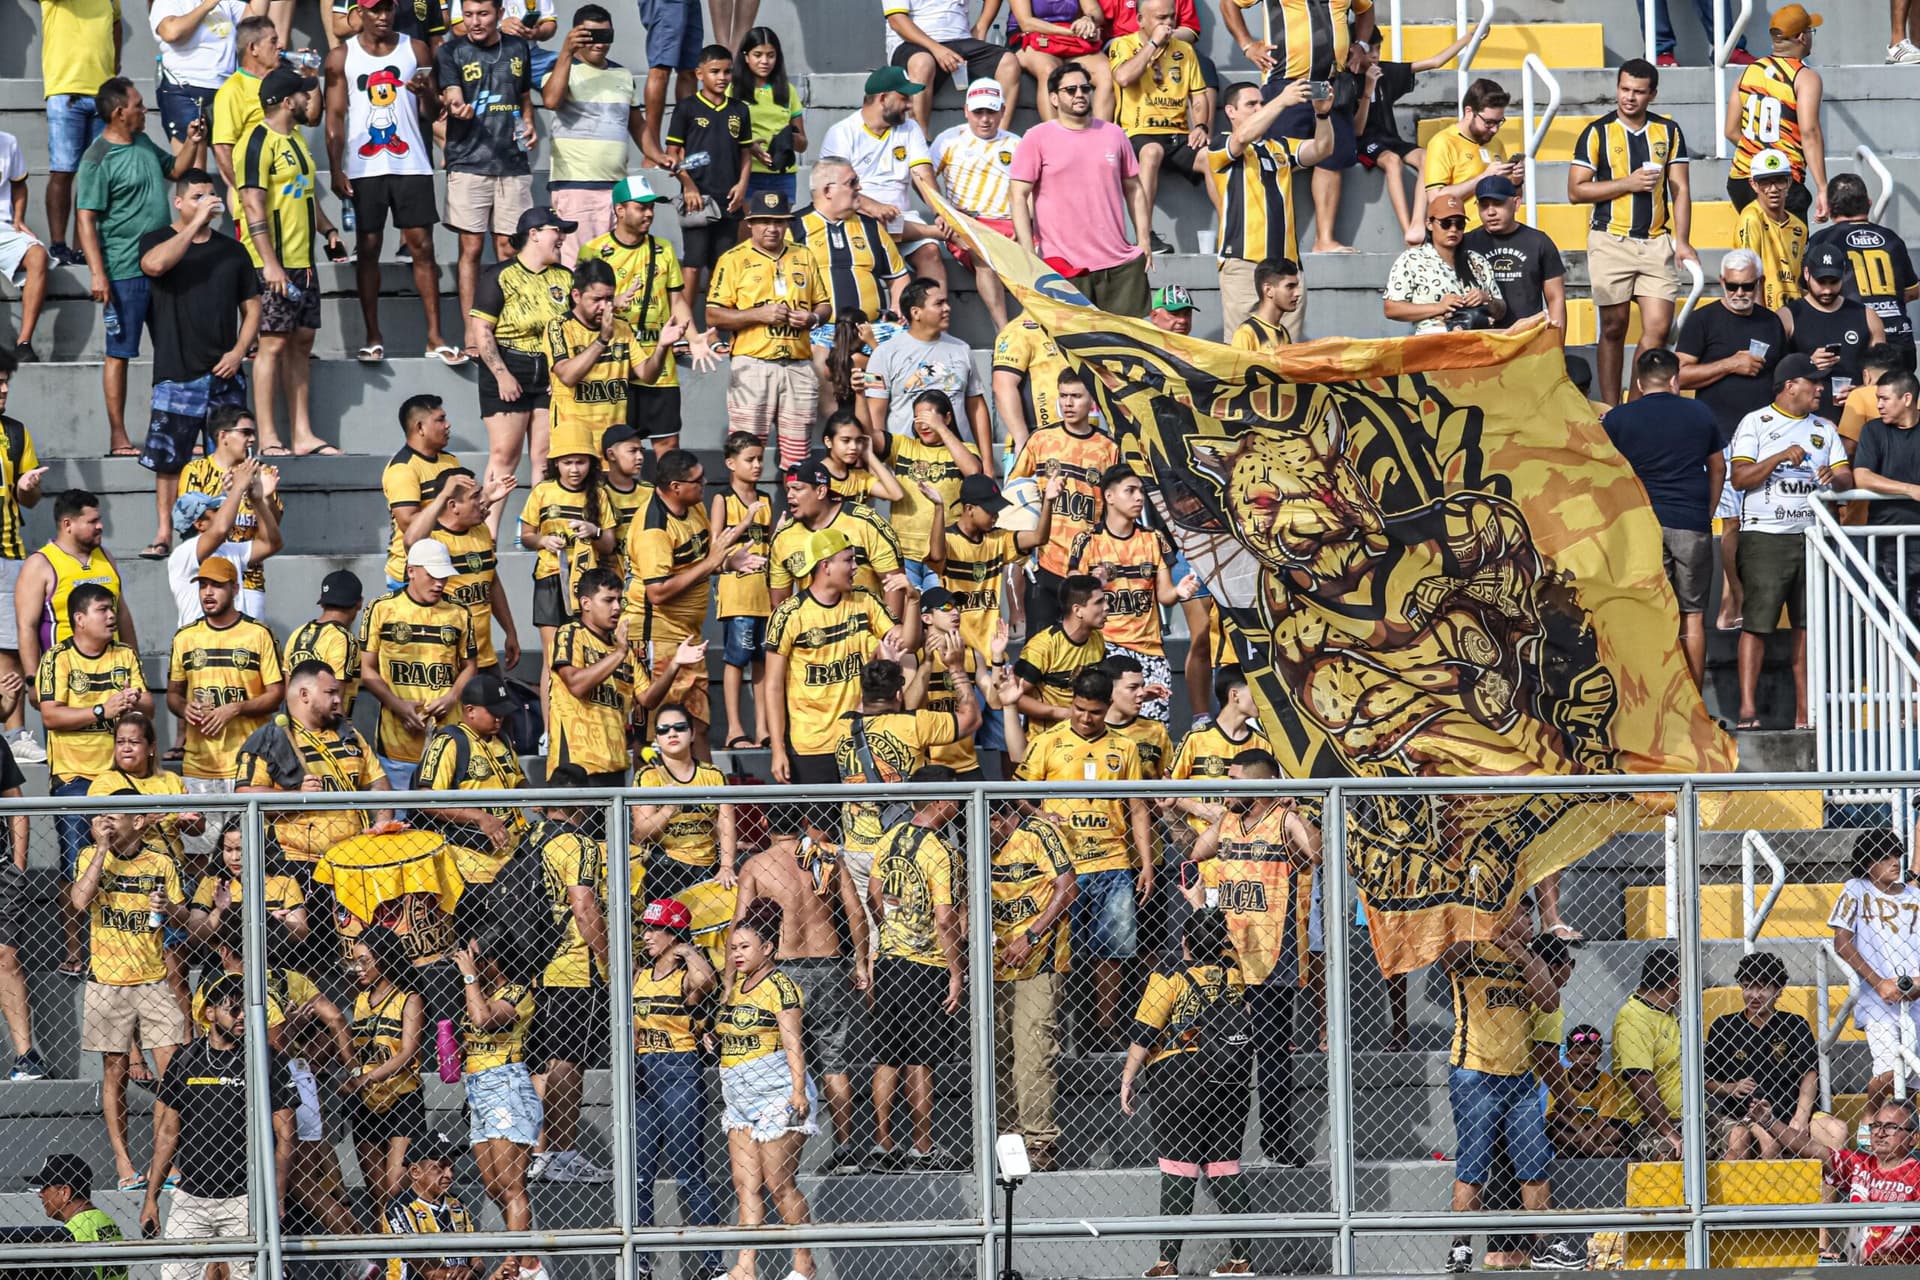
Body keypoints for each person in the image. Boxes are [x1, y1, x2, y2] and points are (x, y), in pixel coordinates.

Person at [1182, 748, 1318, 1166]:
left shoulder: (1283, 819)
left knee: (1273, 1053)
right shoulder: (1228, 821)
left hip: (1272, 956)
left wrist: (1298, 813)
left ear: (1262, 785)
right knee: (1227, 1052)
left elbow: (1316, 852)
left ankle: (1276, 1141)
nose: (1226, 789)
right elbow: (1195, 853)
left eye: (1235, 782)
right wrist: (1184, 814)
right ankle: (1220, 1144)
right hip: (1229, 957)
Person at [1006, 668, 1148, 1045]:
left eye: (1095, 712)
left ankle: (1104, 1029)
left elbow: (1137, 807)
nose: (1086, 718)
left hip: (1113, 860)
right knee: (1062, 951)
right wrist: (1039, 815)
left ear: (1108, 707)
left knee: (1112, 950)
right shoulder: (1048, 741)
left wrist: (1146, 863)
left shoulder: (1125, 747)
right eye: (1080, 709)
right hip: (1061, 867)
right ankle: (1063, 1027)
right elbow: (1018, 793)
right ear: (1072, 703)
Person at [730, 803, 871, 1173]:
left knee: (785, 1056)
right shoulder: (825, 857)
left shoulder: (756, 865)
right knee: (833, 1060)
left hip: (782, 967)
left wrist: (733, 981)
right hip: (828, 962)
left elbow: (740, 924)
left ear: (764, 822)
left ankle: (783, 1151)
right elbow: (855, 912)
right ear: (804, 823)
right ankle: (845, 1148)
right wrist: (860, 961)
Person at [1440, 910, 1583, 1274]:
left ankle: (1544, 1244)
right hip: (1475, 1072)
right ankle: (1460, 1246)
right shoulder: (1473, 949)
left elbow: (1549, 1000)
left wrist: (1519, 952)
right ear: (1503, 915)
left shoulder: (1530, 957)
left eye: (1531, 916)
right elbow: (1447, 959)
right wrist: (1487, 931)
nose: (1530, 924)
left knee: (1534, 1162)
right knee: (1473, 1163)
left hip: (1520, 1080)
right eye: (1522, 916)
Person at [1119, 909, 1257, 1280]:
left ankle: (1167, 1262)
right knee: (1224, 1165)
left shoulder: (1170, 975)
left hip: (1178, 1079)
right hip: (1229, 1077)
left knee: (1178, 1166)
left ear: (1184, 942)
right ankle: (1241, 1258)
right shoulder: (1234, 972)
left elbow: (1145, 1032)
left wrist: (1128, 1078)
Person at [77, 78, 209, 458]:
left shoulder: (143, 142)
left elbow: (176, 170)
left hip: (165, 265)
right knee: (119, 353)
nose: (144, 109)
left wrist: (193, 141)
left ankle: (179, 431)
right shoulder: (97, 158)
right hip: (124, 272)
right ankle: (119, 436)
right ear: (120, 112)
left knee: (176, 349)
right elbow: (85, 219)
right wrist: (97, 273)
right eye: (137, 104)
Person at [140, 971, 296, 1280]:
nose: (242, 1017)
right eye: (233, 1009)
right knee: (174, 1276)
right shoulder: (186, 1059)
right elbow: (168, 1134)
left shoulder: (264, 1058)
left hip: (245, 1198)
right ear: (210, 1013)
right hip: (191, 1196)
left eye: (246, 1008)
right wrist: (151, 1199)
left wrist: (276, 1197)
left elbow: (286, 1135)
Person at [136, 169, 260, 555]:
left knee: (229, 456)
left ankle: (225, 531)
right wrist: (194, 226)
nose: (207, 202)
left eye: (210, 195)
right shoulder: (157, 239)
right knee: (168, 459)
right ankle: (164, 533)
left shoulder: (232, 251)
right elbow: (153, 266)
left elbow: (253, 308)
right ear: (178, 202)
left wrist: (238, 352)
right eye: (196, 197)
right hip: (176, 371)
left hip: (225, 372)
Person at [326, 0, 454, 366]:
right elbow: (335, 117)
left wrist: (423, 92)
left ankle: (435, 337)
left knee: (422, 247)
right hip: (363, 166)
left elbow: (433, 112)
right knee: (368, 248)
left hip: (411, 162)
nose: (382, 16)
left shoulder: (416, 49)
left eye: (387, 8)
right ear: (359, 13)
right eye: (374, 9)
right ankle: (372, 337)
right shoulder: (341, 56)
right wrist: (335, 168)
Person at [1728, 352, 1852, 729]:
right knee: (1757, 623)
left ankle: (1805, 713)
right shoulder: (1756, 422)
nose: (1820, 388)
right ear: (1790, 386)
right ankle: (1747, 710)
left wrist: (1834, 477)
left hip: (1813, 537)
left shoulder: (1824, 429)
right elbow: (1740, 478)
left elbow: (1846, 479)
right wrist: (1779, 457)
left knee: (1807, 625)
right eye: (1813, 382)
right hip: (1766, 536)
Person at [72, 801, 191, 1189]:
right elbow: (79, 901)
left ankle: (164, 1163)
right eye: (102, 815)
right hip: (107, 980)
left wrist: (168, 907)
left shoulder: (161, 862)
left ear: (138, 821)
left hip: (153, 979)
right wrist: (102, 849)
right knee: (115, 1071)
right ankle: (125, 1166)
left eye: (115, 815)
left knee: (172, 1072)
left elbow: (184, 917)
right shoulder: (90, 855)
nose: (105, 820)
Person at [1602, 348, 1727, 686]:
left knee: (1652, 614)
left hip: (1643, 526)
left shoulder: (1618, 419)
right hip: (1691, 522)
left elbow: (1605, 474)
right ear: (1675, 380)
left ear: (1639, 384)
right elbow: (1718, 468)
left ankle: (1657, 699)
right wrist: (1708, 510)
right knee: (1693, 616)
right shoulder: (1700, 413)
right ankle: (1694, 702)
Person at [240, 66, 346, 460]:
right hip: (272, 263)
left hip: (304, 260)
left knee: (302, 342)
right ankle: (268, 436)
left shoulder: (297, 138)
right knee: (271, 345)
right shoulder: (256, 141)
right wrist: (270, 264)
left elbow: (304, 193)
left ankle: (302, 434)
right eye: (303, 94)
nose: (308, 99)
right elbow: (252, 204)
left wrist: (327, 229)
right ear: (287, 102)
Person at [1676, 250, 1784, 633]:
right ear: (1721, 282)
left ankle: (1737, 598)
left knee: (1762, 522)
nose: (1740, 293)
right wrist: (1729, 364)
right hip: (1720, 438)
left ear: (1759, 284)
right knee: (1733, 522)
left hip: (1766, 438)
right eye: (1733, 285)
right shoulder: (1703, 320)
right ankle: (1734, 597)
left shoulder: (1771, 322)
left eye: (1747, 286)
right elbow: (1678, 376)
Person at [1215, 0, 1373, 257]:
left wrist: (1362, 45)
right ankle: (1269, 237)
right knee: (1275, 158)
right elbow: (1229, 3)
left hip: (1331, 82)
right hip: (1285, 81)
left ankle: (1324, 239)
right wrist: (1247, 45)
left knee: (1331, 158)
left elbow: (1365, 9)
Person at [865, 772, 966, 1170]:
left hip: (889, 961)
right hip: (926, 965)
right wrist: (956, 971)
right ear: (940, 801)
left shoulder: (890, 838)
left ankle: (883, 1144)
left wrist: (891, 928)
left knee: (887, 1055)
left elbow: (874, 893)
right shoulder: (941, 851)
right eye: (954, 798)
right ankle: (922, 1147)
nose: (959, 805)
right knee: (922, 1058)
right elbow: (945, 918)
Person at [715, 898, 817, 1280]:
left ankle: (804, 1264)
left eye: (745, 947)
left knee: (779, 1184)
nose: (736, 954)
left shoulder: (781, 987)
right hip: (739, 1097)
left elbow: (793, 1043)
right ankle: (746, 1267)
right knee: (746, 1186)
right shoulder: (737, 986)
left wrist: (798, 1092)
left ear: (768, 948)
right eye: (733, 947)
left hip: (776, 1092)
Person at [580, 179, 712, 457]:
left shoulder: (663, 249)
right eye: (641, 207)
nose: (649, 213)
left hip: (658, 364)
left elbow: (677, 301)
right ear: (619, 210)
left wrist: (694, 338)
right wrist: (613, 303)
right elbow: (581, 308)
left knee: (668, 445)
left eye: (651, 207)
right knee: (616, 449)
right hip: (615, 364)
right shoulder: (593, 251)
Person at [1012, 62, 1152, 315]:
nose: (1079, 94)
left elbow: (1134, 189)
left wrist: (1143, 241)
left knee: (1127, 340)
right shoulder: (1036, 137)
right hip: (1064, 267)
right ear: (1054, 98)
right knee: (1071, 341)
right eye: (1070, 90)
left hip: (1120, 266)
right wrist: (1028, 254)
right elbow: (1018, 196)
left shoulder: (1114, 134)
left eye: (1085, 88)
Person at [632, 898, 723, 1277]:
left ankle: (714, 1264)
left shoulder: (684, 976)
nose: (647, 935)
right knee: (639, 1174)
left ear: (674, 933)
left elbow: (706, 982)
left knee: (689, 1171)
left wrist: (687, 950)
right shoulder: (639, 974)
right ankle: (639, 1263)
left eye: (656, 929)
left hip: (678, 1071)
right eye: (646, 928)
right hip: (643, 1073)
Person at [708, 191, 831, 469]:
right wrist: (758, 315)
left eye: (778, 222)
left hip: (799, 364)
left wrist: (812, 318)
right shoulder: (733, 258)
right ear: (750, 223)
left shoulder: (804, 255)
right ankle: (743, 500)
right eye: (764, 221)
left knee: (799, 458)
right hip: (753, 364)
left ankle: (796, 499)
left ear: (787, 224)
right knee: (746, 452)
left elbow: (824, 305)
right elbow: (713, 314)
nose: (772, 228)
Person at [1067, 465, 1196, 721]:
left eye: (1141, 491)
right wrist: (1093, 584)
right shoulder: (1088, 540)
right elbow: (1072, 593)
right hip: (1105, 648)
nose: (1139, 497)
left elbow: (1164, 596)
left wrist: (1179, 591)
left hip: (1150, 650)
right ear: (1109, 496)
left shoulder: (1154, 538)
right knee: (1107, 725)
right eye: (1130, 491)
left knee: (1153, 731)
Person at [471, 208, 573, 530]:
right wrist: (502, 374)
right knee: (504, 454)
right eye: (557, 230)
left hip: (549, 371)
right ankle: (486, 534)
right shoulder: (500, 275)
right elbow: (481, 328)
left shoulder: (565, 277)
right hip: (509, 363)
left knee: (544, 454)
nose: (562, 238)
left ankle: (540, 531)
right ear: (534, 234)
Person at [234, 659, 388, 871]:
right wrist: (297, 795)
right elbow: (244, 795)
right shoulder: (269, 739)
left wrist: (381, 823)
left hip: (354, 857)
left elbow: (378, 783)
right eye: (330, 692)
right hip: (296, 862)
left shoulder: (349, 735)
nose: (338, 699)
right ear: (305, 695)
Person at [437, 0, 537, 326]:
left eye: (483, 14)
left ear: (499, 14)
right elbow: (451, 92)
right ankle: (472, 333)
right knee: (471, 248)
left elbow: (524, 96)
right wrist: (456, 106)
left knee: (509, 249)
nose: (475, 22)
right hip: (468, 161)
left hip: (512, 162)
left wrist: (528, 122)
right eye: (468, 15)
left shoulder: (518, 47)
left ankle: (510, 328)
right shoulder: (451, 51)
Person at [989, 799, 1076, 1172]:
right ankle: (1007, 1142)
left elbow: (1067, 888)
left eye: (988, 825)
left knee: (1034, 1053)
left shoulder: (1039, 834)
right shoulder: (972, 839)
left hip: (1037, 962)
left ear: (1000, 817)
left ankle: (1039, 1143)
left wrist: (1031, 935)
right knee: (996, 1057)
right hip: (992, 966)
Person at [450, 929, 538, 1275]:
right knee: (492, 1185)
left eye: (475, 956)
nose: (468, 962)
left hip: (506, 1085)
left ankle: (514, 1262)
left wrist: (469, 977)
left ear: (493, 960)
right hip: (478, 1089)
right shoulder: (479, 991)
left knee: (511, 1183)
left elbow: (484, 1020)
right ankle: (529, 1262)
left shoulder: (517, 991)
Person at [359, 540, 480, 788]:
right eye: (432, 576)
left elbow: (470, 666)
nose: (439, 583)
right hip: (397, 741)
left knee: (448, 811)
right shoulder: (382, 608)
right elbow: (366, 669)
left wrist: (451, 697)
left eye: (444, 577)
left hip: (446, 740)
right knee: (401, 812)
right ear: (411, 571)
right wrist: (398, 706)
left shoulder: (459, 612)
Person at [792, 158, 908, 414]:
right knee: (820, 359)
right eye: (852, 182)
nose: (859, 187)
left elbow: (898, 276)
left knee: (912, 347)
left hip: (872, 328)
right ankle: (838, 426)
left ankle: (881, 428)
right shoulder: (794, 227)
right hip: (821, 330)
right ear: (828, 190)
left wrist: (897, 308)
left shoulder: (871, 227)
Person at [1705, 950, 1846, 1159]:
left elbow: (1809, 1073)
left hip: (1791, 1110)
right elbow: (1707, 1080)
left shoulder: (1795, 1024)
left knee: (1836, 1130)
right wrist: (1731, 1088)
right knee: (1767, 1142)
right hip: (1745, 1114)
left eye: (1763, 987)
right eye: (1748, 986)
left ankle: (1833, 1178)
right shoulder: (1724, 1026)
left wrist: (1801, 1116)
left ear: (1778, 990)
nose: (1754, 995)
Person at [1007, 368, 1118, 632]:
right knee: (1039, 644)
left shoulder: (1108, 447)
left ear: (1092, 400)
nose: (1068, 403)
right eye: (1063, 396)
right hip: (1045, 561)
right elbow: (1014, 491)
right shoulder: (1041, 439)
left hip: (1086, 566)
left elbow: (1115, 510)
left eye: (1076, 396)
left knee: (1085, 645)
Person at [166, 556, 286, 796]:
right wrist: (184, 708)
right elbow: (173, 695)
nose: (208, 593)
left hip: (250, 765)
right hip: (198, 767)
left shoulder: (258, 634)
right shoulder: (185, 637)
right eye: (203, 586)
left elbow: (276, 695)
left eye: (217, 585)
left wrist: (236, 708)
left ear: (235, 588)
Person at [1347, 28, 1474, 250]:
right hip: (1364, 142)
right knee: (1392, 161)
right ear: (1354, 50)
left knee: (1427, 156)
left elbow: (1434, 62)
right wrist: (1368, 89)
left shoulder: (1384, 71)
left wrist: (1469, 37)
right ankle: (1407, 230)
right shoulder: (1347, 80)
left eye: (1378, 48)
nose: (1375, 55)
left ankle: (1418, 222)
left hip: (1390, 138)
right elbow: (1357, 130)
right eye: (1370, 49)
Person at [820, 66, 947, 287]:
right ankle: (932, 232)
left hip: (903, 219)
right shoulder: (842, 133)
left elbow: (922, 175)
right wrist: (873, 206)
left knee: (931, 253)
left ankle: (934, 309)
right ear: (883, 98)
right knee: (877, 225)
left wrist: (941, 212)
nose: (910, 105)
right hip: (858, 216)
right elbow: (836, 188)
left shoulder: (910, 128)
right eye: (904, 98)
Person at [540, 6, 647, 261]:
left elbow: (638, 126)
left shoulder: (623, 74)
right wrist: (566, 52)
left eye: (605, 36)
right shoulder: (561, 69)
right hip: (576, 186)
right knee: (578, 265)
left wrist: (660, 155)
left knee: (615, 266)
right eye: (591, 36)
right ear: (576, 35)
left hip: (617, 189)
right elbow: (551, 100)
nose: (599, 44)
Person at [546, 257, 685, 454]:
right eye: (596, 300)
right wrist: (602, 340)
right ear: (576, 296)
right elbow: (568, 376)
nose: (604, 306)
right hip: (575, 445)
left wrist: (662, 347)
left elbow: (648, 375)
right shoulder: (559, 326)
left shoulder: (622, 327)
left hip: (613, 444)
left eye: (609, 299)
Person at [1830, 828, 1920, 1117]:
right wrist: (1879, 983)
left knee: (1913, 1076)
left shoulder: (1915, 896)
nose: (1894, 861)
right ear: (1868, 863)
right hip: (1877, 999)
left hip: (1916, 995)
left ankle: (1901, 1132)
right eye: (1884, 857)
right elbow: (1841, 941)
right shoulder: (1856, 890)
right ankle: (1870, 1114)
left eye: (1896, 855)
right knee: (1890, 1069)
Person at [1106, 0, 1206, 255]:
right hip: (1136, 131)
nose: (1168, 23)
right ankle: (1144, 236)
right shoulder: (1123, 44)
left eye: (1171, 17)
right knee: (1152, 152)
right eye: (1161, 18)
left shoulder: (1184, 49)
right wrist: (1153, 44)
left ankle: (1230, 236)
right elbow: (1123, 77)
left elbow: (1198, 95)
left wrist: (1201, 125)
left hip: (1178, 133)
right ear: (1140, 20)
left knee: (1212, 156)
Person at [16, 489, 136, 698]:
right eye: (92, 521)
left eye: (99, 519)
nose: (100, 526)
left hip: (112, 676)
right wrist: (33, 680)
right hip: (66, 679)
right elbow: (27, 626)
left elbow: (122, 614)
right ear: (67, 524)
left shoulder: (106, 557)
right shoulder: (40, 564)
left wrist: (135, 665)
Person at [338, 925, 427, 1206]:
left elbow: (407, 1052)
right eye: (354, 962)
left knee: (395, 1187)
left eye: (364, 961)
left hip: (401, 1098)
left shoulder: (409, 998)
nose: (358, 968)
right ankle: (384, 1236)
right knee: (377, 1193)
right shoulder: (360, 1001)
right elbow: (355, 1050)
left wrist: (367, 1078)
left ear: (384, 957)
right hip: (367, 1102)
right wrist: (353, 1072)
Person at [665, 45, 757, 307]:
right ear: (699, 74)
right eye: (715, 71)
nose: (722, 77)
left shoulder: (739, 109)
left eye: (727, 72)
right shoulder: (687, 108)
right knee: (693, 263)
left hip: (728, 199)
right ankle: (684, 324)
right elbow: (672, 154)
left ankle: (718, 324)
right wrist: (688, 185)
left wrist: (742, 185)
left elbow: (745, 153)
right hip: (698, 200)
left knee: (723, 263)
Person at [864, 279, 994, 463]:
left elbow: (977, 407)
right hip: (907, 464)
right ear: (916, 312)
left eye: (946, 302)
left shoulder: (962, 349)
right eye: (939, 303)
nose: (947, 308)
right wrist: (878, 463)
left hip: (959, 463)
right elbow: (874, 412)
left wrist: (987, 463)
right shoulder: (883, 353)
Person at [931, 80, 1021, 331]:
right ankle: (1004, 331)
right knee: (983, 254)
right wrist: (941, 211)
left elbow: (1030, 191)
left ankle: (1033, 329)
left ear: (1002, 111)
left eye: (991, 111)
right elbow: (922, 178)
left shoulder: (1016, 143)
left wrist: (1023, 226)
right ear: (965, 111)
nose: (984, 119)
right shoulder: (949, 139)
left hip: (1010, 221)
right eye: (978, 112)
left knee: (1045, 255)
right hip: (968, 222)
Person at [410, 472, 520, 675]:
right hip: (447, 659)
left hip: (484, 655)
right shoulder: (432, 539)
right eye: (475, 497)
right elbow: (410, 541)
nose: (482, 502)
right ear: (452, 505)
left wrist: (510, 631)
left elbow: (492, 583)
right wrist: (443, 494)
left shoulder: (481, 531)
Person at [174, 412, 284, 616]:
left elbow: (272, 531)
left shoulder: (260, 471)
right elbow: (193, 521)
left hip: (250, 579)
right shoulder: (197, 470)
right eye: (245, 432)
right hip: (208, 579)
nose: (252, 439)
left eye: (253, 433)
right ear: (223, 435)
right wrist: (228, 494)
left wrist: (265, 499)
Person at [768, 455, 908, 613]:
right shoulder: (783, 537)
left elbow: (895, 584)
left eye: (797, 489)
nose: (789, 495)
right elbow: (779, 604)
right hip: (814, 626)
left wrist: (889, 626)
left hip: (866, 623)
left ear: (821, 491)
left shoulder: (865, 522)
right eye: (788, 489)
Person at [1724, 3, 1825, 219]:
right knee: (1789, 240)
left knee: (1755, 239)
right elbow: (1809, 133)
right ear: (1801, 37)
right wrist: (1822, 187)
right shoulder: (1805, 77)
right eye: (1810, 31)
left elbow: (1731, 131)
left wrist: (1760, 154)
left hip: (1743, 179)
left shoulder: (1749, 71)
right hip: (1782, 180)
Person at [1809, 172, 1919, 369]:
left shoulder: (1822, 240)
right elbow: (1913, 291)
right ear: (1868, 203)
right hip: (1898, 340)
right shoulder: (1892, 239)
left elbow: (1808, 294)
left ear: (1830, 208)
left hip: (1851, 341)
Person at [39, 0, 119, 267]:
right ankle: (58, 245)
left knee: (92, 175)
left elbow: (116, 23)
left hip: (102, 94)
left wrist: (114, 65)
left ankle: (82, 246)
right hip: (65, 90)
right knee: (63, 170)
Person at [713, 432, 774, 750]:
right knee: (736, 659)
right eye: (750, 459)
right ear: (730, 463)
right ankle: (734, 729)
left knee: (762, 661)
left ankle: (762, 728)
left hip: (764, 593)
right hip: (737, 593)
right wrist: (745, 520)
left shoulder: (766, 498)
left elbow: (772, 544)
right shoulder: (722, 499)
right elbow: (716, 548)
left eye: (760, 459)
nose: (757, 465)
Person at [632, 706, 732, 895]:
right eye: (664, 730)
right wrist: (668, 809)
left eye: (679, 727)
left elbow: (726, 825)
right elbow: (641, 834)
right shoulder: (648, 776)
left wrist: (726, 866)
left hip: (709, 867)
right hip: (665, 869)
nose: (672, 733)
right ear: (657, 739)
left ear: (692, 734)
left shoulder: (714, 775)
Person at [1782, 243, 1886, 422]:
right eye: (1821, 282)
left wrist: (1862, 392)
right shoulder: (1789, 316)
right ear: (1806, 274)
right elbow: (1774, 376)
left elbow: (1884, 374)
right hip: (1805, 421)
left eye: (1834, 282)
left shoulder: (1866, 316)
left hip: (1857, 420)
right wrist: (1808, 364)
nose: (1827, 290)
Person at [884, 0, 1018, 136]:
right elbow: (897, 20)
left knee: (1008, 62)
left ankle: (1001, 139)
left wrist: (981, 26)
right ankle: (919, 139)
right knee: (922, 63)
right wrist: (936, 49)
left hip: (961, 39)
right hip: (911, 43)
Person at [0, 351, 42, 761]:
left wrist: (26, 487)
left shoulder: (15, 433)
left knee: (9, 646)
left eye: (6, 381)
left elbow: (28, 499)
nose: (4, 389)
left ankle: (15, 735)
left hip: (7, 551)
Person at [1382, 192, 1503, 335]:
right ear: (1429, 224)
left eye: (1459, 224)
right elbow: (1391, 308)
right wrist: (1439, 307)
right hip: (1434, 338)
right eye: (1446, 223)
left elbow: (1501, 310)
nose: (1453, 229)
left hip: (1478, 338)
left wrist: (1487, 298)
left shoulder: (1477, 260)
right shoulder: (1412, 259)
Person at [1456, 178, 1564, 335]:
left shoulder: (1539, 242)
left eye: (1498, 204)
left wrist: (1556, 343)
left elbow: (1556, 298)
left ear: (1516, 203)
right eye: (1484, 205)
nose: (1491, 212)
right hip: (1480, 338)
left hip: (1527, 337)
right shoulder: (1465, 244)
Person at [1852, 370, 1920, 612]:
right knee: (1889, 616)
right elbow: (1861, 476)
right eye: (1877, 399)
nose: (1878, 405)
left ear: (1907, 399)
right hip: (1886, 541)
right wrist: (1909, 489)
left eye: (1884, 399)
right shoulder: (1873, 430)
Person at [1612, 946, 1684, 1160]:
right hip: (1646, 1121)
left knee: (1739, 1136)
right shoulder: (1634, 1017)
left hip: (1689, 1117)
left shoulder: (1668, 1012)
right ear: (1676, 983)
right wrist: (1669, 1131)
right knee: (1668, 1153)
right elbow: (1639, 1079)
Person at [1422, 78, 1522, 232]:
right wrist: (1484, 177)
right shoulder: (1443, 142)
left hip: (1496, 234)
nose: (1494, 129)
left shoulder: (1496, 143)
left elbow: (1511, 199)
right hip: (1463, 234)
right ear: (1469, 112)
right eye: (1489, 122)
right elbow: (1436, 199)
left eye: (1499, 122)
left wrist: (1516, 181)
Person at [381, 1131, 483, 1280]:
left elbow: (476, 1257)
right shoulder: (400, 1206)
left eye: (452, 1167)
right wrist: (454, 1275)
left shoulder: (457, 1203)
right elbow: (423, 1266)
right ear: (415, 1172)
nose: (449, 1174)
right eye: (440, 1167)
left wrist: (473, 1272)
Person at [1013, 573, 1108, 722]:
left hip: (1084, 729)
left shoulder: (1097, 638)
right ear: (1077, 610)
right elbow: (1014, 697)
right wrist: (1061, 713)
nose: (1107, 607)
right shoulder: (1042, 646)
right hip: (1047, 733)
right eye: (1099, 602)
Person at [735, 27, 807, 206]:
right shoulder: (733, 90)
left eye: (771, 55)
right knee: (748, 224)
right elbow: (724, 135)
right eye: (757, 55)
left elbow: (803, 144)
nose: (764, 61)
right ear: (746, 57)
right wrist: (750, 146)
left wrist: (787, 139)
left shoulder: (788, 90)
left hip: (783, 175)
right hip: (747, 173)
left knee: (780, 224)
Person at [1736, 148, 1808, 312]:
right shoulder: (1751, 218)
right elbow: (1749, 276)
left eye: (1780, 181)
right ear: (1754, 184)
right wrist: (1762, 320)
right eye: (1765, 183)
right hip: (1767, 315)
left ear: (1789, 182)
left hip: (1794, 313)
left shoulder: (1799, 227)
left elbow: (1797, 279)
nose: (1773, 189)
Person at [1545, 1026, 1630, 1158]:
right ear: (1568, 1056)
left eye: (1592, 1052)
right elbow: (1554, 1114)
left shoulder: (1606, 1081)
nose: (1586, 1057)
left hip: (1598, 1130)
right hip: (1573, 1129)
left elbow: (1605, 1116)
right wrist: (1581, 1133)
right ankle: (1600, 1151)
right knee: (1553, 1129)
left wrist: (1590, 1135)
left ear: (1599, 1056)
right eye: (1580, 1053)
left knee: (1623, 1127)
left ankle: (1574, 1151)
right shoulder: (1561, 1079)